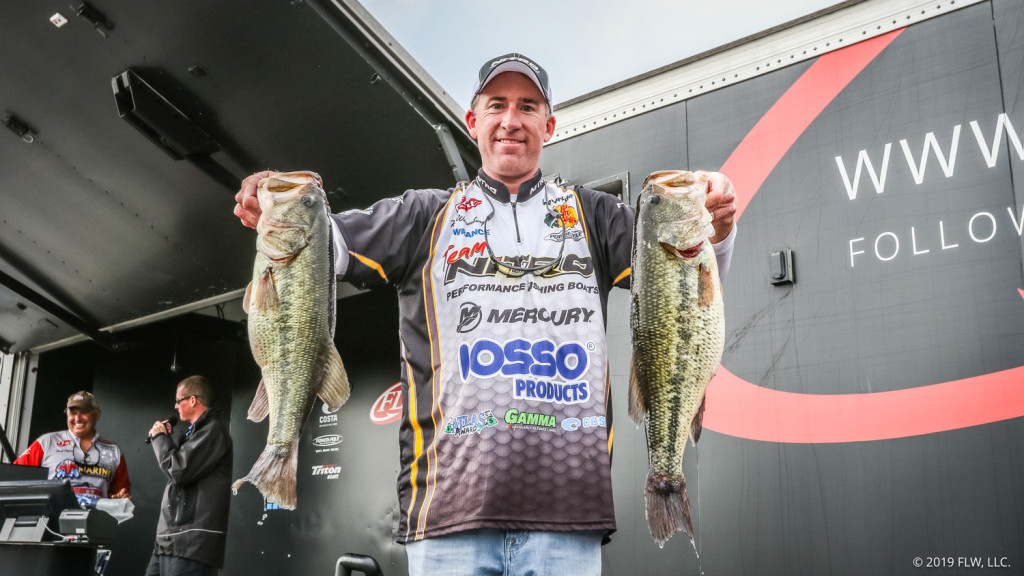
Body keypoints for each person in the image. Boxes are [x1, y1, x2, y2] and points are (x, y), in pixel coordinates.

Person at [233, 52, 737, 575]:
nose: (511, 121)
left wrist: (717, 232)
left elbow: (681, 290)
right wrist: (276, 208)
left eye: (528, 106)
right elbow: (325, 244)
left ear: (549, 124)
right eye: (497, 105)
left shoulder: (595, 214)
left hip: (568, 515)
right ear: (473, 122)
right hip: (447, 514)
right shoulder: (422, 214)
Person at [145, 375, 233, 576]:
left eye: (178, 401)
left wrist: (159, 438)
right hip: (169, 541)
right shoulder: (196, 433)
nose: (175, 406)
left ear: (192, 400)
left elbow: (177, 470)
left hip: (191, 544)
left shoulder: (213, 431)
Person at [14, 390, 131, 505]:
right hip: (51, 521)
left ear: (97, 414)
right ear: (67, 414)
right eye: (73, 413)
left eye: (84, 412)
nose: (77, 418)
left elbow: (121, 492)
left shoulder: (113, 450)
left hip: (95, 520)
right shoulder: (46, 442)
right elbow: (15, 477)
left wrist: (121, 497)